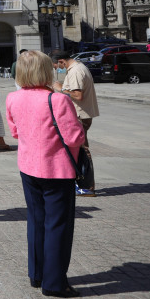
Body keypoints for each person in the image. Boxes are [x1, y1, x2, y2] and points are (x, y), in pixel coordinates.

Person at [6, 50, 86, 298]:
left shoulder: (12, 98)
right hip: (56, 169)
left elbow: (16, 133)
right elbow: (75, 137)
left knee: (36, 221)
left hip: (28, 167)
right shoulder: (57, 100)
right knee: (58, 226)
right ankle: (54, 283)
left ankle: (37, 273)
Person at [51, 49, 99, 197]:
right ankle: (83, 184)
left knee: (82, 151)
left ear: (62, 61)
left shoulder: (75, 71)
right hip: (82, 113)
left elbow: (77, 95)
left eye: (57, 66)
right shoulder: (78, 67)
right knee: (80, 150)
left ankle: (86, 186)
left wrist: (61, 89)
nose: (58, 69)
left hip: (79, 115)